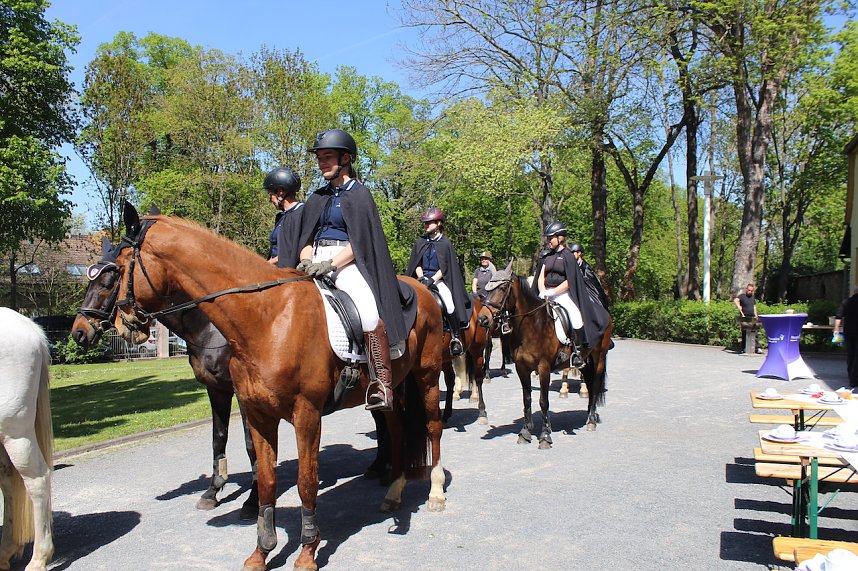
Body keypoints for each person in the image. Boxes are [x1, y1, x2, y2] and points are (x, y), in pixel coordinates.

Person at [294, 128, 406, 411]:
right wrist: (307, 260)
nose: (322, 163)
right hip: (314, 260)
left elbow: (361, 241)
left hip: (346, 262)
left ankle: (382, 384)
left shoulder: (360, 195)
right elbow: (305, 238)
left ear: (345, 158)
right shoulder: (317, 197)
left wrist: (329, 264)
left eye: (328, 157)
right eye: (319, 158)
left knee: (368, 313)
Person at [531, 222, 610, 368]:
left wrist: (553, 292)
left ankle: (577, 353)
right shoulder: (546, 256)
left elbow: (570, 280)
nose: (549, 241)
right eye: (548, 238)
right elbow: (540, 276)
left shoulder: (568, 256)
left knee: (576, 318)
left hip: (562, 294)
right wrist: (542, 291)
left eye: (551, 238)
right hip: (545, 293)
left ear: (560, 238)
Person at [406, 207, 471, 356]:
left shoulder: (446, 244)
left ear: (439, 223)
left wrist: (432, 280)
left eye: (429, 223)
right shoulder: (420, 242)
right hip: (421, 279)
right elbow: (416, 263)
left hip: (438, 280)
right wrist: (421, 278)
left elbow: (445, 267)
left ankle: (456, 338)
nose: (426, 225)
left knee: (448, 303)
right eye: (425, 223)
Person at [263, 167, 303, 266]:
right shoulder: (280, 217)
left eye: (270, 194)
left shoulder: (302, 213)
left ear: (280, 192)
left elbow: (295, 250)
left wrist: (267, 264)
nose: (270, 199)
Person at [568, 243, 608, 309]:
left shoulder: (586, 268)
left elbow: (594, 286)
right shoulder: (571, 267)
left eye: (573, 253)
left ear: (579, 253)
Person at [834, 285, 858, 388]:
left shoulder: (846, 302)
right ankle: (854, 379)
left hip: (848, 332)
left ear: (854, 291)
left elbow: (838, 316)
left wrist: (836, 329)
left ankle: (850, 376)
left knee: (850, 354)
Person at [734, 283, 762, 354]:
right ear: (746, 289)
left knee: (755, 332)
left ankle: (757, 347)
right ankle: (744, 348)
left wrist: (756, 315)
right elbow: (735, 300)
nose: (750, 292)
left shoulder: (752, 297)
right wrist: (738, 306)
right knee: (744, 333)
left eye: (751, 291)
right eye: (749, 290)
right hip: (745, 317)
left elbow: (754, 307)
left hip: (752, 316)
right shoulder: (742, 296)